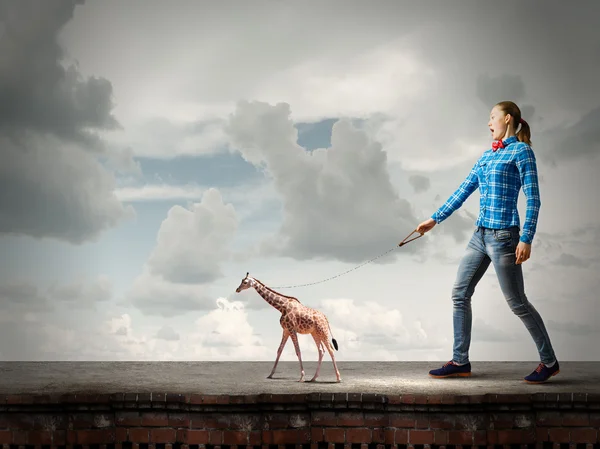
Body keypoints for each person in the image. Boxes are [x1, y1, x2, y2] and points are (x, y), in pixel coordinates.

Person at [416, 101, 559, 384]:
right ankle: (460, 361)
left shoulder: (522, 152)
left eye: (492, 117)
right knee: (459, 293)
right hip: (479, 236)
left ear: (507, 119)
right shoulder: (485, 156)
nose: (489, 123)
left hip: (505, 237)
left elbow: (534, 198)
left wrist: (527, 238)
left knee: (517, 303)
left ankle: (549, 362)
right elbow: (462, 190)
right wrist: (435, 219)